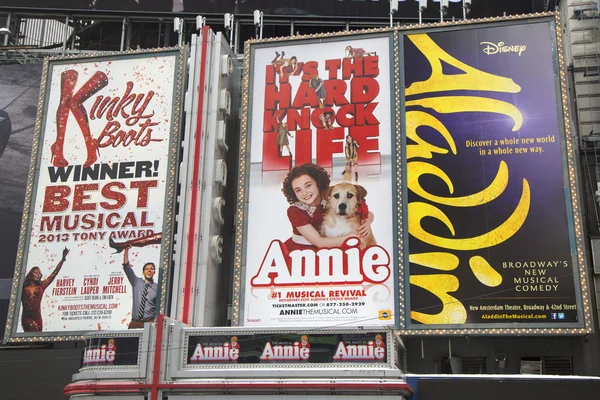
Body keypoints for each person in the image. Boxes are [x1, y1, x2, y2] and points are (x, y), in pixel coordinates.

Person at [281, 163, 372, 252]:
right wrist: (352, 237)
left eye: (308, 185)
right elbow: (319, 242)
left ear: (318, 183)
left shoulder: (330, 198)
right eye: (298, 190)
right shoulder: (296, 211)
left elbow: (366, 212)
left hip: (329, 245)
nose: (304, 193)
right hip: (302, 249)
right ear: (293, 193)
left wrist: (367, 222)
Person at [21, 247, 69, 332]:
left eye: (39, 273)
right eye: (36, 272)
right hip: (27, 318)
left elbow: (54, 274)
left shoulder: (42, 285)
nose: (38, 275)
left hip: (37, 318)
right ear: (31, 273)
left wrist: (62, 259)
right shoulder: (23, 286)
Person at [122, 245, 158, 329]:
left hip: (149, 323)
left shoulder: (157, 287)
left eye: (151, 269)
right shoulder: (136, 282)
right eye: (147, 269)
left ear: (154, 272)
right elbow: (126, 267)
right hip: (135, 322)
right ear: (143, 272)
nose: (149, 270)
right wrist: (126, 250)